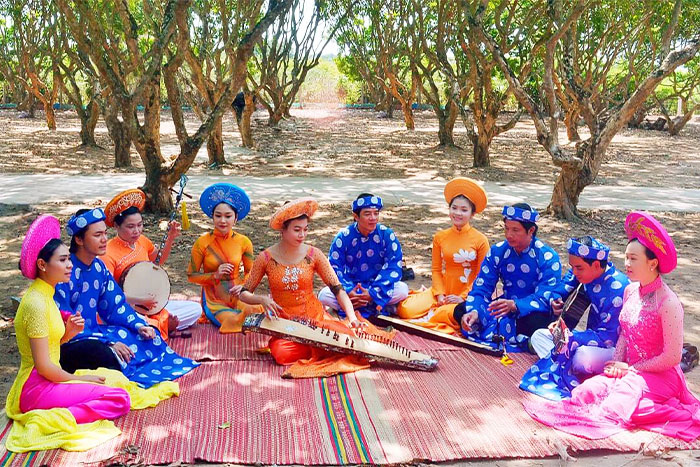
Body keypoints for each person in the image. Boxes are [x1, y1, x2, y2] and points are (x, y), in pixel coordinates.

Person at [524, 211, 700, 442]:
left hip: (661, 375)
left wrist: (631, 369)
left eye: (633, 259)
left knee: (618, 405)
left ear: (653, 262)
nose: (626, 264)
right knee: (585, 392)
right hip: (630, 370)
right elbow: (625, 335)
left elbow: (672, 357)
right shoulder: (630, 292)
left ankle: (653, 404)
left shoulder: (669, 303)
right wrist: (616, 363)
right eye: (626, 257)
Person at [6, 215, 130, 445]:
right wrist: (78, 379)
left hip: (46, 379)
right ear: (42, 265)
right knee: (119, 398)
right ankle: (57, 418)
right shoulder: (36, 303)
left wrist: (69, 333)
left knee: (115, 379)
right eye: (63, 260)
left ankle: (67, 405)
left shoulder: (46, 294)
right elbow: (43, 366)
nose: (70, 265)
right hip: (36, 387)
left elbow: (52, 346)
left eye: (68, 259)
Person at [239, 198, 394, 378]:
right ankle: (321, 346)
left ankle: (323, 343)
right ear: (283, 229)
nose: (302, 235)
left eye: (305, 230)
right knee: (282, 354)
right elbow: (244, 293)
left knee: (347, 339)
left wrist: (352, 317)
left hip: (315, 318)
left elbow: (337, 288)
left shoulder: (313, 254)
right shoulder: (266, 258)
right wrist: (262, 299)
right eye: (296, 230)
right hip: (285, 324)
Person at [55, 208, 198, 387]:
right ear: (79, 239)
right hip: (73, 341)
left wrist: (138, 325)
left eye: (105, 234)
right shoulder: (65, 272)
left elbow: (115, 306)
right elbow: (63, 322)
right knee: (110, 354)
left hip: (96, 332)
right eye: (97, 235)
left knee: (148, 336)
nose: (104, 239)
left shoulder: (98, 267)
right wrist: (108, 343)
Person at [520, 236, 630, 400]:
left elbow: (609, 337)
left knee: (582, 357)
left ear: (596, 265)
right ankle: (567, 361)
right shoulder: (584, 271)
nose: (574, 272)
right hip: (587, 337)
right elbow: (562, 288)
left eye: (578, 268)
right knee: (539, 336)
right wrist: (555, 300)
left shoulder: (618, 288)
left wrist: (570, 337)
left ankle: (568, 361)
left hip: (612, 349)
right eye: (573, 267)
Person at [454, 203, 561, 352]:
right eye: (506, 228)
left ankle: (529, 338)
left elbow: (546, 296)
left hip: (531, 310)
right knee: (461, 310)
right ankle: (523, 339)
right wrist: (475, 311)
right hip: (504, 306)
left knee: (538, 322)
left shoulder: (548, 257)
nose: (509, 235)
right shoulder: (497, 251)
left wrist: (516, 305)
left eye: (515, 230)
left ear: (531, 230)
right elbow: (481, 287)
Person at [101, 189, 200, 341]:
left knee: (195, 309)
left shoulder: (142, 241)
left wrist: (170, 238)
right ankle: (160, 325)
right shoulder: (108, 253)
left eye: (140, 225)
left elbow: (158, 261)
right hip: (126, 307)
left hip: (149, 304)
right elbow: (108, 294)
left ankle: (158, 324)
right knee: (135, 324)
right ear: (116, 226)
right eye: (130, 226)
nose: (137, 231)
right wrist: (140, 300)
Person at [397, 178, 489, 335]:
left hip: (468, 293)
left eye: (464, 210)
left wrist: (463, 297)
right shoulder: (440, 237)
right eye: (454, 208)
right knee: (405, 311)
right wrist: (439, 294)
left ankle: (441, 313)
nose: (458, 213)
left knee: (448, 312)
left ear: (472, 214)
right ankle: (435, 308)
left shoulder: (481, 240)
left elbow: (481, 275)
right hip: (443, 289)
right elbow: (436, 269)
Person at [187, 183, 263, 333]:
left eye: (228, 216)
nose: (223, 220)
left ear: (235, 219)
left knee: (255, 309)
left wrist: (245, 287)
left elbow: (251, 272)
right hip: (213, 298)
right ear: (212, 216)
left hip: (237, 293)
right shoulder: (202, 243)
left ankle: (248, 319)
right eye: (218, 215)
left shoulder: (244, 242)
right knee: (232, 319)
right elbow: (191, 276)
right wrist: (215, 275)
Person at [319, 193, 408, 318]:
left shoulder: (387, 235)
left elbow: (393, 266)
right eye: (367, 214)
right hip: (351, 288)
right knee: (324, 295)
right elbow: (334, 267)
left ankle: (361, 304)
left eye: (376, 213)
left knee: (402, 290)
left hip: (378, 287)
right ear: (356, 216)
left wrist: (372, 293)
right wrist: (349, 291)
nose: (373, 218)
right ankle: (377, 305)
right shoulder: (343, 236)